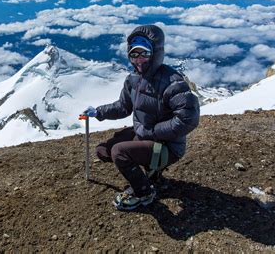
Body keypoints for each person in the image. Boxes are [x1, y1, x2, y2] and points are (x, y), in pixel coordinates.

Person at [83, 24, 200, 211]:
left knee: (119, 152)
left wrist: (154, 132)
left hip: (168, 146)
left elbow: (188, 119)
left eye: (144, 53)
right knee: (102, 151)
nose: (138, 60)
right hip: (147, 135)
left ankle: (144, 192)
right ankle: (152, 173)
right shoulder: (133, 80)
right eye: (134, 54)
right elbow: (123, 107)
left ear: (155, 53)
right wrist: (98, 112)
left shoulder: (173, 82)